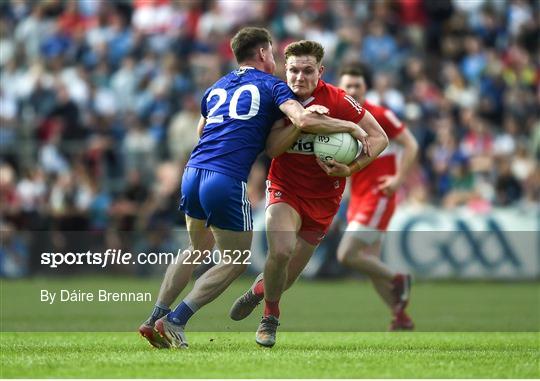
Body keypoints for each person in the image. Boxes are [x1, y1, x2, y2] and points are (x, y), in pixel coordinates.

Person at [138, 28, 372, 349]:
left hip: (193, 171)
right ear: (263, 54)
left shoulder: (217, 86)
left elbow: (202, 128)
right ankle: (175, 320)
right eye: (276, 56)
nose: (279, 65)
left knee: (196, 249)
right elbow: (302, 120)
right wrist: (349, 127)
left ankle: (153, 318)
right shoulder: (274, 87)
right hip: (227, 177)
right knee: (236, 260)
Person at [229, 41, 389, 347]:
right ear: (284, 70)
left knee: (284, 277)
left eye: (307, 70)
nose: (299, 77)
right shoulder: (276, 97)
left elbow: (379, 137)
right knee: (281, 251)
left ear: (320, 72)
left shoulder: (339, 100)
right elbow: (273, 148)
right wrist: (302, 122)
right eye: (292, 70)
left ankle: (258, 292)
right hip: (284, 189)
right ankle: (270, 318)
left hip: (323, 199)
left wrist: (351, 168)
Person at [335, 63, 418, 330]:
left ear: (366, 88)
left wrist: (398, 179)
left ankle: (398, 278)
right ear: (340, 87)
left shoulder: (379, 114)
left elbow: (411, 144)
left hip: (379, 194)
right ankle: (400, 316)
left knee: (346, 254)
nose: (352, 90)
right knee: (370, 263)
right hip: (358, 196)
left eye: (357, 85)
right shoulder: (340, 118)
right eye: (347, 85)